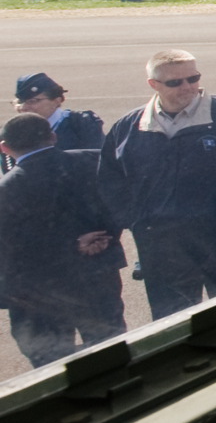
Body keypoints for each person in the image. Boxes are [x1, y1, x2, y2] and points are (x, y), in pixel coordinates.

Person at [95, 50, 216, 317]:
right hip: (161, 248)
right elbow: (110, 182)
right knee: (173, 324)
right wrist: (136, 221)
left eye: (193, 78)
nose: (187, 87)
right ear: (153, 84)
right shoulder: (128, 127)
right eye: (175, 82)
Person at [0, 113, 124, 367]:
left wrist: (69, 246)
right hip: (97, 273)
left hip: (39, 290)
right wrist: (106, 237)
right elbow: (119, 204)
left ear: (4, 148)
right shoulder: (93, 161)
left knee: (50, 364)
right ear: (53, 136)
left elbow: (11, 247)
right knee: (109, 351)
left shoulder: (7, 189)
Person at [14, 74, 105, 155]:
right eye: (20, 102)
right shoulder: (14, 132)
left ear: (56, 101)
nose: (23, 107)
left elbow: (96, 161)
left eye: (32, 101)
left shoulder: (80, 124)